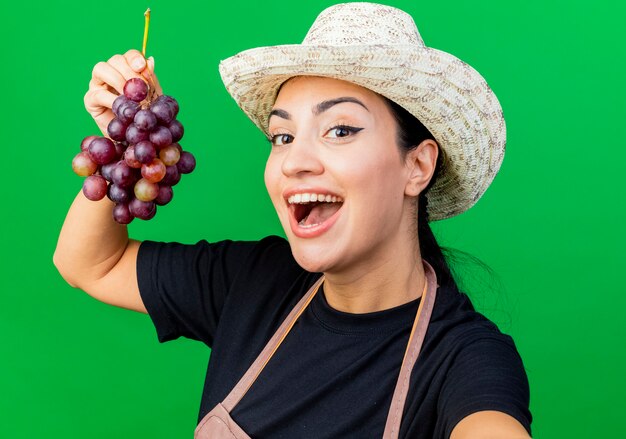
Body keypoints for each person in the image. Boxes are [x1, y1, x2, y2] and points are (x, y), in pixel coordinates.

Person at [54, 3, 532, 438]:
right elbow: (89, 263)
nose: (294, 161)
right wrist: (127, 147)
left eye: (340, 130)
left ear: (418, 167)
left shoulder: (465, 360)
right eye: (282, 136)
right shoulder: (254, 280)